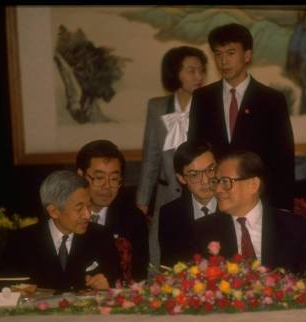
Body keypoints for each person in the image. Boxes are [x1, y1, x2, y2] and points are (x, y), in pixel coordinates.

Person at [188, 23, 295, 211]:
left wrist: (283, 207)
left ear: (247, 55)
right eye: (218, 54)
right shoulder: (202, 97)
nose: (223, 61)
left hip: (259, 200)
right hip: (215, 199)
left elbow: (283, 158)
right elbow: (195, 149)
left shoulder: (271, 99)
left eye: (230, 53)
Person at [136, 46, 208, 269]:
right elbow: (151, 158)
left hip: (203, 193)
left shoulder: (210, 105)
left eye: (201, 70)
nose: (198, 76)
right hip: (167, 196)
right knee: (159, 256)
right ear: (175, 73)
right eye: (191, 70)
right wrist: (142, 202)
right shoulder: (157, 106)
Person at [0, 171, 121, 293]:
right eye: (79, 208)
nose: (87, 215)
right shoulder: (21, 241)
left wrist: (106, 288)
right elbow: (5, 288)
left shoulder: (101, 237)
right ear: (53, 211)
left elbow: (116, 283)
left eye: (88, 206)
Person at [193, 151, 306, 277]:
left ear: (253, 185)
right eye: (216, 182)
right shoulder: (202, 231)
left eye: (225, 182)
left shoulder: (292, 226)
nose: (217, 190)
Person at [76, 140, 148, 282]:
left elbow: (140, 276)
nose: (107, 186)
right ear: (80, 175)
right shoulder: (65, 216)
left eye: (114, 179)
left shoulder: (133, 219)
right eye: (99, 178)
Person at [158, 140, 217, 267]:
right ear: (181, 178)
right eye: (194, 175)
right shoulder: (170, 214)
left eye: (210, 169)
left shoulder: (233, 206)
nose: (205, 180)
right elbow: (168, 267)